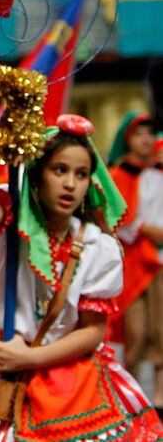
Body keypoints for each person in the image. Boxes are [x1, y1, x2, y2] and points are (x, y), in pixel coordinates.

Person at [0, 114, 163, 442]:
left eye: (82, 175)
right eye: (59, 170)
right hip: (5, 367)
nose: (70, 184)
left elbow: (94, 331)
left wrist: (31, 357)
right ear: (38, 176)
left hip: (68, 374)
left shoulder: (99, 246)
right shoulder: (14, 224)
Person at [107, 112, 163, 411]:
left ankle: (159, 396)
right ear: (128, 138)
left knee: (160, 329)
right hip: (132, 261)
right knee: (136, 332)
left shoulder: (159, 171)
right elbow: (117, 218)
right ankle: (130, 392)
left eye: (150, 133)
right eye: (139, 133)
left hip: (159, 259)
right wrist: (144, 229)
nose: (146, 139)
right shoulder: (118, 174)